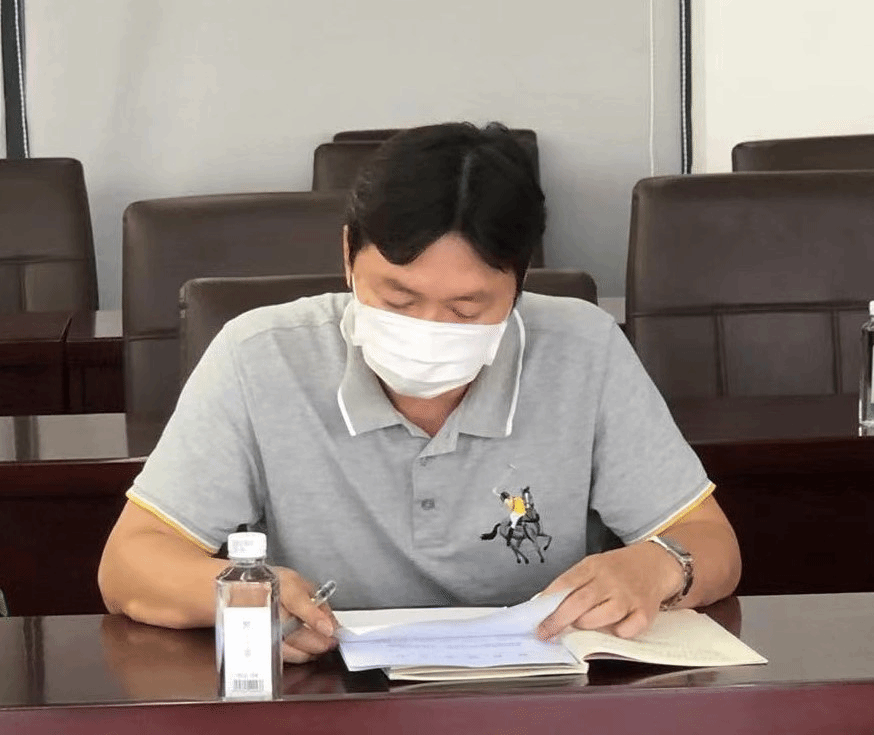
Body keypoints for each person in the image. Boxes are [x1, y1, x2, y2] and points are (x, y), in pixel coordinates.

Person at [99, 122, 741, 664]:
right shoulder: (259, 356)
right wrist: (248, 597)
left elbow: (712, 543)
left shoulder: (583, 349)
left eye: (467, 308)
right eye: (399, 299)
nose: (429, 329)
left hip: (540, 698)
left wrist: (663, 567)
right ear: (348, 255)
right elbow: (129, 563)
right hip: (331, 701)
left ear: (520, 283)